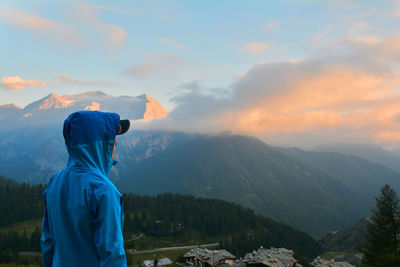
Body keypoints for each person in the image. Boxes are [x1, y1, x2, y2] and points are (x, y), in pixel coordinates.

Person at [40, 111, 130, 267]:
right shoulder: (102, 190)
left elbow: (47, 242)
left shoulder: (54, 182)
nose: (116, 143)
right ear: (100, 144)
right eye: (111, 137)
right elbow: (113, 253)